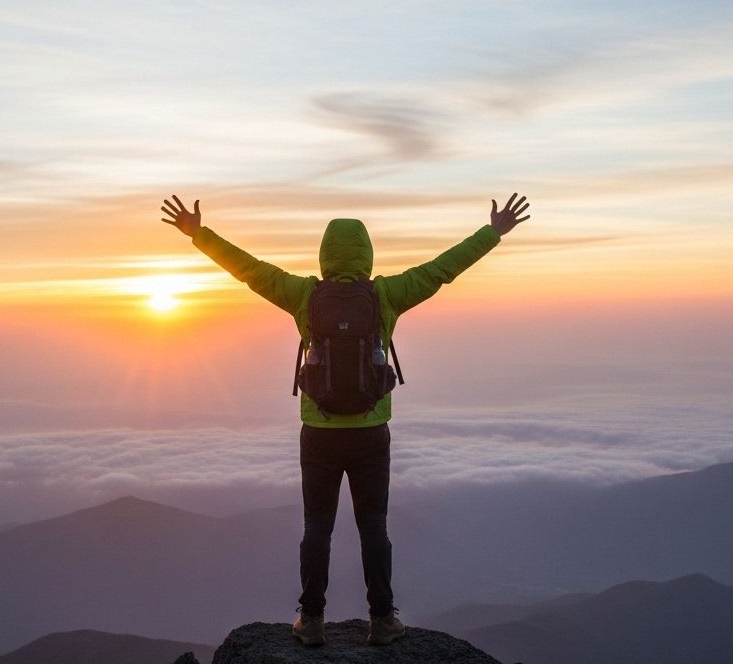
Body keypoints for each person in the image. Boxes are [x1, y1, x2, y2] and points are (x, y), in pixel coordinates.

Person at [161, 193, 531, 646]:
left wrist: (199, 234)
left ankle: (312, 620)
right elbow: (442, 268)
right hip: (371, 433)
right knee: (373, 526)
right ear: (366, 253)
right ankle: (382, 620)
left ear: (324, 255)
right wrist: (492, 232)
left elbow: (250, 270)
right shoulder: (386, 295)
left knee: (317, 526)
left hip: (317, 432)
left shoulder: (303, 295)